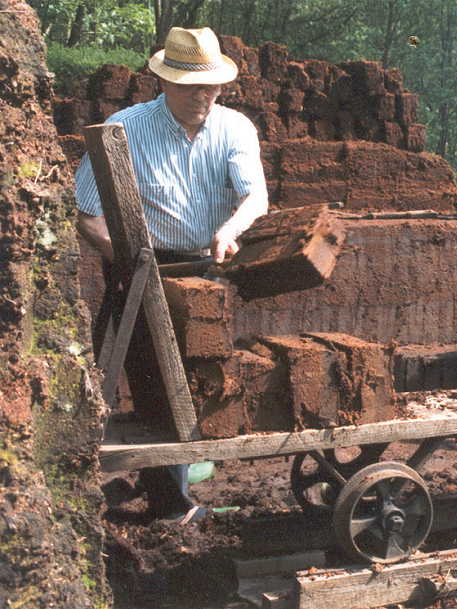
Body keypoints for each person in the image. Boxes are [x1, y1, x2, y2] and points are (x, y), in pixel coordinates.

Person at [75, 27, 269, 520]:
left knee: (200, 379)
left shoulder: (235, 128)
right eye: (190, 86)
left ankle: (178, 480)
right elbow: (87, 212)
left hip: (207, 267)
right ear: (164, 83)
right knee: (153, 381)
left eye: (211, 86)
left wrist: (229, 230)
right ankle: (168, 503)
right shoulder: (125, 129)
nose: (203, 96)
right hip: (141, 266)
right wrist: (123, 256)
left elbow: (256, 197)